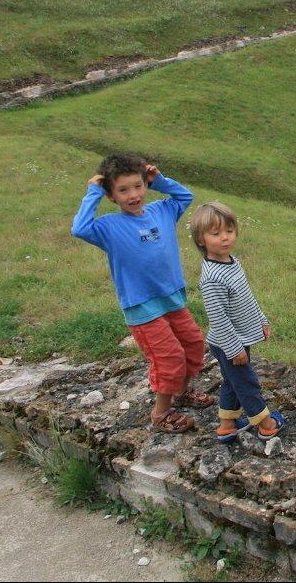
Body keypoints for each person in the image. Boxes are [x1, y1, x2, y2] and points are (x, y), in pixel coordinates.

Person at [71, 153, 213, 434]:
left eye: (138, 185)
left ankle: (181, 391)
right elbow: (79, 228)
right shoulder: (108, 227)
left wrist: (159, 180)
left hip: (172, 298)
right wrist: (93, 191)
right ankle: (161, 414)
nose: (133, 194)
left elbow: (185, 196)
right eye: (122, 190)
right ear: (111, 195)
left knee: (193, 344)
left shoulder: (162, 211)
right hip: (142, 307)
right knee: (168, 358)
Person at [190, 201, 284, 443]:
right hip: (229, 343)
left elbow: (246, 297)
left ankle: (227, 425)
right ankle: (266, 424)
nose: (224, 238)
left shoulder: (232, 261)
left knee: (232, 382)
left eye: (229, 231)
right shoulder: (212, 278)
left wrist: (261, 319)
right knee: (246, 384)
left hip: (241, 337)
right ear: (201, 239)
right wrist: (234, 348)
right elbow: (218, 318)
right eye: (216, 233)